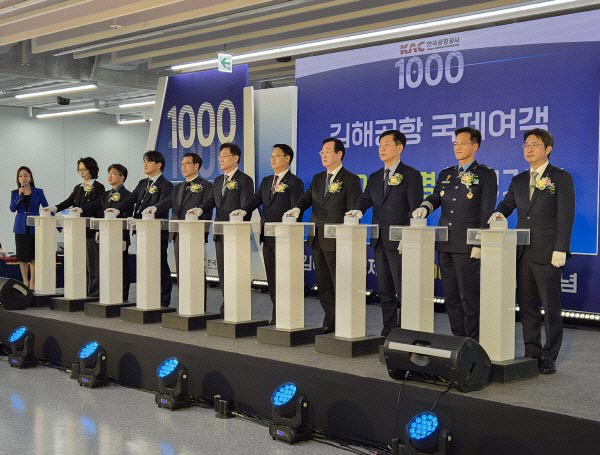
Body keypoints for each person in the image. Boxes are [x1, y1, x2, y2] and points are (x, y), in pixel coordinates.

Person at [489, 128, 575, 374]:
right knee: (527, 306)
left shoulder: (560, 177)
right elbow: (508, 203)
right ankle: (532, 352)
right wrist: (498, 213)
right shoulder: (518, 180)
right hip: (522, 252)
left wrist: (561, 248)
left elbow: (566, 214)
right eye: (526, 145)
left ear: (548, 149)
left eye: (534, 144)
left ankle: (549, 356)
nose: (528, 149)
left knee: (550, 307)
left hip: (548, 253)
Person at [412, 127, 497, 340]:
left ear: (475, 146)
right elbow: (435, 197)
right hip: (445, 242)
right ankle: (457, 339)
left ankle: (473, 341)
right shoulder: (446, 174)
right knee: (450, 296)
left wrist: (479, 242)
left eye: (463, 143)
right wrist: (425, 207)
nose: (458, 147)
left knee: (468, 295)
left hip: (467, 245)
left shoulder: (485, 174)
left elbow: (486, 210)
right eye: (455, 143)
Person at [346, 130, 423, 336]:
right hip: (378, 239)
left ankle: (405, 330)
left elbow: (415, 208)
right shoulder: (375, 176)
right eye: (380, 145)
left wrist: (407, 236)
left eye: (387, 144)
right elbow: (365, 199)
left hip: (400, 241)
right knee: (384, 288)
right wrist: (358, 210)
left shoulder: (411, 175)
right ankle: (388, 329)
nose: (382, 148)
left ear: (400, 148)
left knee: (403, 288)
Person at [285, 137, 362, 334]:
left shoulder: (351, 179)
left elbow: (353, 210)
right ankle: (330, 320)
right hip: (317, 237)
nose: (323, 155)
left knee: (340, 283)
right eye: (322, 152)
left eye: (328, 151)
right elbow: (306, 198)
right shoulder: (318, 178)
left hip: (338, 241)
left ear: (339, 154)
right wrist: (296, 208)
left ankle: (344, 321)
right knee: (324, 283)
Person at [230, 144, 304, 324]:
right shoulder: (266, 181)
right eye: (271, 156)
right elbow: (255, 200)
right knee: (272, 277)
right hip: (267, 236)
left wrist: (292, 224)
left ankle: (287, 315)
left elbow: (297, 208)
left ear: (287, 158)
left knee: (285, 278)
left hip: (285, 237)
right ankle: (277, 314)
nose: (273, 159)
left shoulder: (295, 182)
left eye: (277, 156)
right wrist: (243, 210)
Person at [148, 152, 214, 309]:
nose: (183, 167)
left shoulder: (206, 186)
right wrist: (155, 208)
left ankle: (198, 306)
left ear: (196, 166)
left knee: (195, 271)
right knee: (181, 270)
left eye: (187, 164)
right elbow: (168, 201)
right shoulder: (178, 187)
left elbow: (208, 206)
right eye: (182, 164)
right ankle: (185, 305)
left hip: (195, 234)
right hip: (178, 233)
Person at [45, 157, 105, 297]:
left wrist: (82, 209)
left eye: (84, 169)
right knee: (80, 263)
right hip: (77, 230)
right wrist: (55, 208)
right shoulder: (78, 187)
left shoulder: (98, 187)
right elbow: (69, 201)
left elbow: (97, 203)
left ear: (91, 169)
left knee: (92, 264)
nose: (81, 173)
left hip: (90, 230)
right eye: (79, 170)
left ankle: (93, 293)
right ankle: (81, 290)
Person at [208, 143, 254, 314]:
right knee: (223, 272)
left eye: (225, 156)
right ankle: (227, 304)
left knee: (236, 272)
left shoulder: (244, 180)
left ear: (236, 158)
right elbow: (211, 201)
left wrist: (240, 226)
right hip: (220, 233)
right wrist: (198, 209)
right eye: (220, 156)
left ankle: (238, 306)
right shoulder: (218, 181)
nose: (221, 159)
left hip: (236, 234)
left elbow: (246, 207)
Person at [132, 150, 174, 307]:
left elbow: (164, 204)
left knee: (159, 263)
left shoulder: (166, 185)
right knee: (145, 264)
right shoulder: (142, 183)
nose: (145, 165)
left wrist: (153, 209)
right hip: (142, 230)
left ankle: (163, 299)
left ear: (159, 165)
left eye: (149, 162)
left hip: (157, 231)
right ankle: (148, 295)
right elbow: (131, 199)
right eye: (144, 161)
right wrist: (117, 209)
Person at [92, 164, 134, 301]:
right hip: (105, 235)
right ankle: (108, 294)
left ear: (122, 177)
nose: (110, 176)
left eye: (114, 173)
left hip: (120, 236)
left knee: (121, 267)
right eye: (109, 173)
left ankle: (122, 296)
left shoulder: (128, 195)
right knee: (107, 266)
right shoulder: (105, 195)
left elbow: (127, 214)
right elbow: (99, 212)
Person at [9, 166, 48, 289]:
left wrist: (57, 225)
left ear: (30, 177)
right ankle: (25, 281)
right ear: (18, 179)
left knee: (33, 256)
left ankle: (33, 281)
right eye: (20, 176)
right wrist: (19, 196)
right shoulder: (15, 193)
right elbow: (12, 208)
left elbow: (47, 208)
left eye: (25, 175)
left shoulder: (38, 192)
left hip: (34, 226)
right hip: (20, 227)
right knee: (22, 257)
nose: (23, 178)